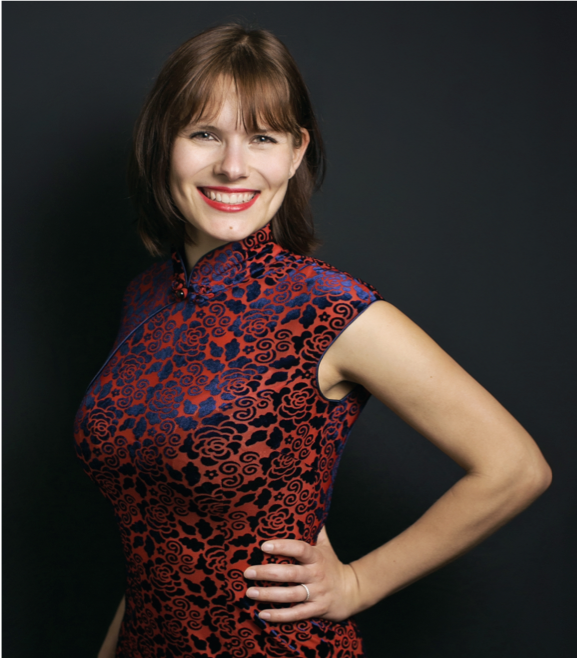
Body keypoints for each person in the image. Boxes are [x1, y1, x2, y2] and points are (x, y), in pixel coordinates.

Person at [74, 23, 552, 658]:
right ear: (164, 143)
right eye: (205, 134)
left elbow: (516, 468)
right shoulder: (145, 296)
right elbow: (154, 529)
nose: (233, 166)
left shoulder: (327, 307)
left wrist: (358, 583)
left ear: (296, 153)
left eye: (262, 137)